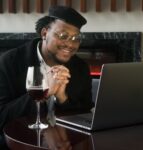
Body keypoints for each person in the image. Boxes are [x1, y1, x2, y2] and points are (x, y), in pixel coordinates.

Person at [0, 5, 94, 148]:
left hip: (66, 142)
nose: (70, 44)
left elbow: (86, 114)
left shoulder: (80, 67)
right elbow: (2, 117)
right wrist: (43, 91)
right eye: (63, 36)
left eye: (76, 38)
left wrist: (63, 98)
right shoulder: (9, 62)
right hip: (20, 143)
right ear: (44, 33)